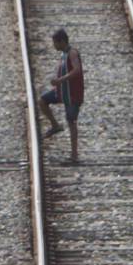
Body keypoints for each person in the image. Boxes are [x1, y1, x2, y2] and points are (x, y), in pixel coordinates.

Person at [38, 28, 83, 163]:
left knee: (71, 122)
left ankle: (74, 155)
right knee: (43, 100)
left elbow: (77, 70)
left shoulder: (72, 53)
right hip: (63, 92)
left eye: (55, 43)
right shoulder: (64, 54)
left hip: (73, 94)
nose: (54, 46)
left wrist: (60, 80)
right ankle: (55, 125)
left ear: (61, 41)